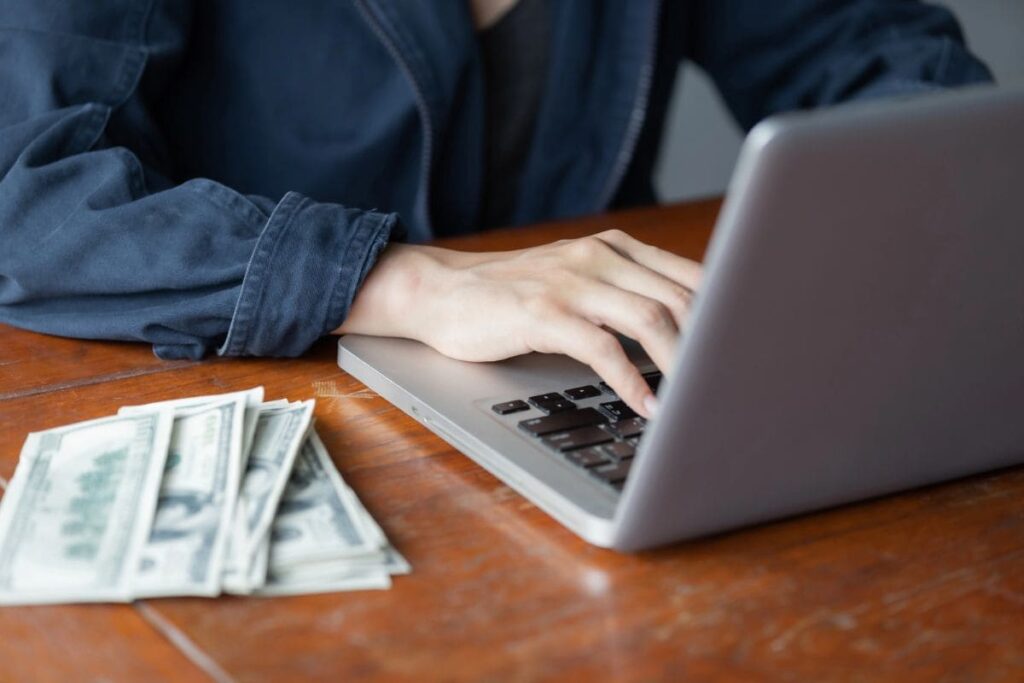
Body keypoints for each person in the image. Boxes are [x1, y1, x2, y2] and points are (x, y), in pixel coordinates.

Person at [0, 1, 992, 418]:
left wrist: (873, 246)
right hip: (244, 385)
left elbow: (875, 58)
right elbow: (26, 191)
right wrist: (408, 283)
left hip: (610, 374)